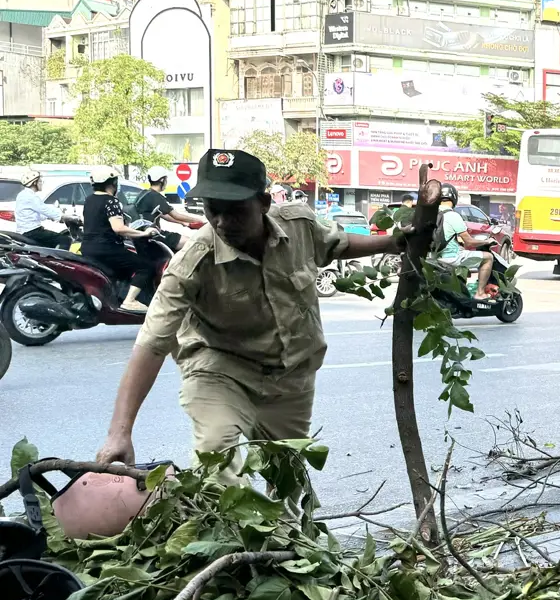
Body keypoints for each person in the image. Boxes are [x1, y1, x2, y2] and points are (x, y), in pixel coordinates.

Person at [95, 149, 414, 468]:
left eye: (234, 211)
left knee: (288, 477)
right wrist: (119, 433)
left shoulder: (298, 224)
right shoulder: (191, 264)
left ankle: (286, 518)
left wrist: (394, 243)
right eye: (212, 210)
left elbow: (337, 244)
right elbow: (151, 344)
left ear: (263, 204)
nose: (221, 222)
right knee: (217, 459)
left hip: (291, 377)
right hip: (220, 370)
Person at [81, 165, 161, 312]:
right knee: (146, 267)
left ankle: (119, 297)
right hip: (107, 249)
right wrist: (145, 234)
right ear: (112, 183)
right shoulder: (111, 201)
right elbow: (119, 228)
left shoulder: (89, 200)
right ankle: (129, 301)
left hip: (88, 248)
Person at [433, 186, 493, 299]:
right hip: (451, 258)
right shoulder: (453, 216)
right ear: (454, 198)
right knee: (488, 257)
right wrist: (486, 241)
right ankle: (480, 293)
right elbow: (469, 242)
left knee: (464, 254)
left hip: (433, 258)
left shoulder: (432, 214)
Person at [136, 166, 203, 253]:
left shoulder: (144, 193)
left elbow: (164, 215)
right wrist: (200, 220)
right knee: (191, 243)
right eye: (166, 180)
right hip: (152, 234)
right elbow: (176, 215)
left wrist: (183, 222)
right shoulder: (156, 197)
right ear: (162, 180)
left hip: (142, 233)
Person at [14, 168, 69, 249]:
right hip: (32, 232)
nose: (41, 183)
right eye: (40, 181)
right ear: (34, 182)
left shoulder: (23, 194)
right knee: (65, 240)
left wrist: (49, 217)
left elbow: (35, 214)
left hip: (27, 231)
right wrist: (62, 216)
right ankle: (59, 262)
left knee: (50, 244)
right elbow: (44, 209)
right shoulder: (30, 196)